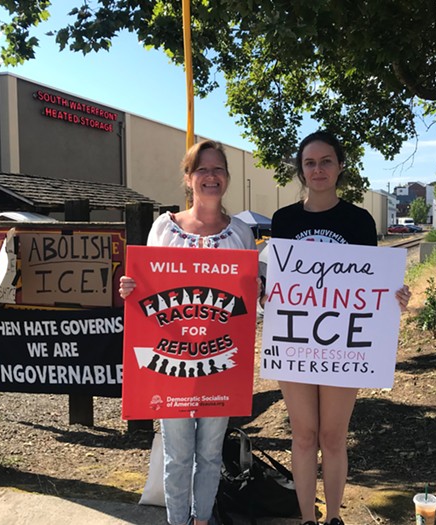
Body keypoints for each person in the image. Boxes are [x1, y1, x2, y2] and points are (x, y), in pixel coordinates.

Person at [270, 130, 411, 525]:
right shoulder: (284, 221)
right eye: (310, 162)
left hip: (342, 345)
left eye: (326, 161)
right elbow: (275, 284)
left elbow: (372, 283)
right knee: (302, 435)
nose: (318, 169)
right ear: (301, 169)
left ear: (340, 166)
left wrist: (393, 297)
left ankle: (333, 517)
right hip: (295, 340)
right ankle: (306, 520)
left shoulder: (359, 221)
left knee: (332, 437)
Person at [119, 140, 257, 525]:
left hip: (220, 359)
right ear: (188, 178)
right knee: (177, 453)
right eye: (202, 169)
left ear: (227, 178)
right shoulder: (165, 227)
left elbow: (251, 300)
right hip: (171, 359)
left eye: (218, 170)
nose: (211, 177)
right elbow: (145, 288)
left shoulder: (242, 233)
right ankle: (178, 521)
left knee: (211, 453)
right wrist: (130, 288)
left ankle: (202, 519)